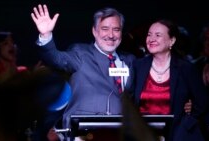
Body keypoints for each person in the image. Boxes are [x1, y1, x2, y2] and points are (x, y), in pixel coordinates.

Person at [31, 4, 136, 141]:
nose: (111, 35)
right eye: (105, 29)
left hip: (119, 134)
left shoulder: (130, 61)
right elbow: (56, 59)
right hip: (82, 133)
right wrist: (46, 35)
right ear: (94, 31)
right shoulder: (80, 54)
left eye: (116, 29)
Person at [132, 19, 207, 141]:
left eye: (158, 35)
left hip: (177, 135)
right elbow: (129, 98)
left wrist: (185, 125)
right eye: (149, 34)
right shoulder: (137, 66)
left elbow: (201, 103)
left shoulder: (186, 68)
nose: (151, 39)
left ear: (171, 40)